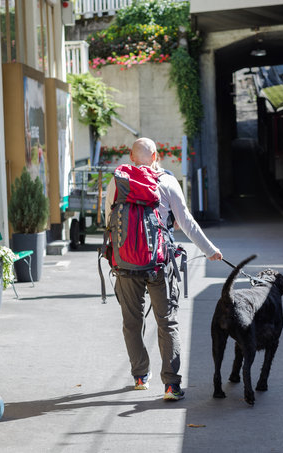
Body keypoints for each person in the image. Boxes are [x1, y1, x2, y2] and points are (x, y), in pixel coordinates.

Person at [105, 137, 222, 400]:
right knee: (167, 322)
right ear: (156, 155)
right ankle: (171, 385)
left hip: (124, 265)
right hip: (160, 262)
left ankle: (139, 377)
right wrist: (209, 250)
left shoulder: (116, 182)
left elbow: (108, 222)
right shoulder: (167, 182)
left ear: (131, 157)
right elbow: (186, 222)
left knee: (131, 322)